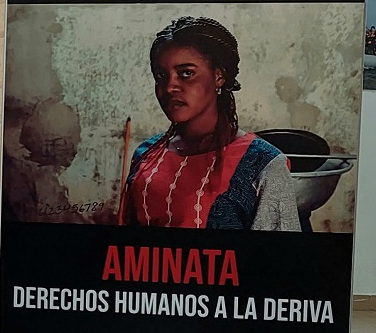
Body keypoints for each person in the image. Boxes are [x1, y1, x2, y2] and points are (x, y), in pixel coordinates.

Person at [123, 16, 301, 230]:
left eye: (186, 73)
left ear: (219, 76)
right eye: (161, 75)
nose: (170, 87)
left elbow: (279, 251)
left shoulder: (263, 164)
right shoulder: (146, 154)